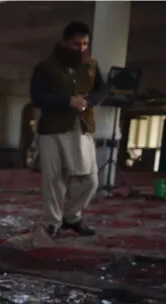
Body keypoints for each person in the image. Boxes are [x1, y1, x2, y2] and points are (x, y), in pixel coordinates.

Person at [30, 22, 107, 238]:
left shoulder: (91, 64)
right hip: (52, 130)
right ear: (64, 42)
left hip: (80, 127)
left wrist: (89, 100)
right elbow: (38, 98)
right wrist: (68, 101)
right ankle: (53, 223)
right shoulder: (45, 67)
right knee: (54, 179)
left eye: (85, 44)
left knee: (90, 180)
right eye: (76, 44)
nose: (81, 48)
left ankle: (71, 217)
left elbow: (103, 89)